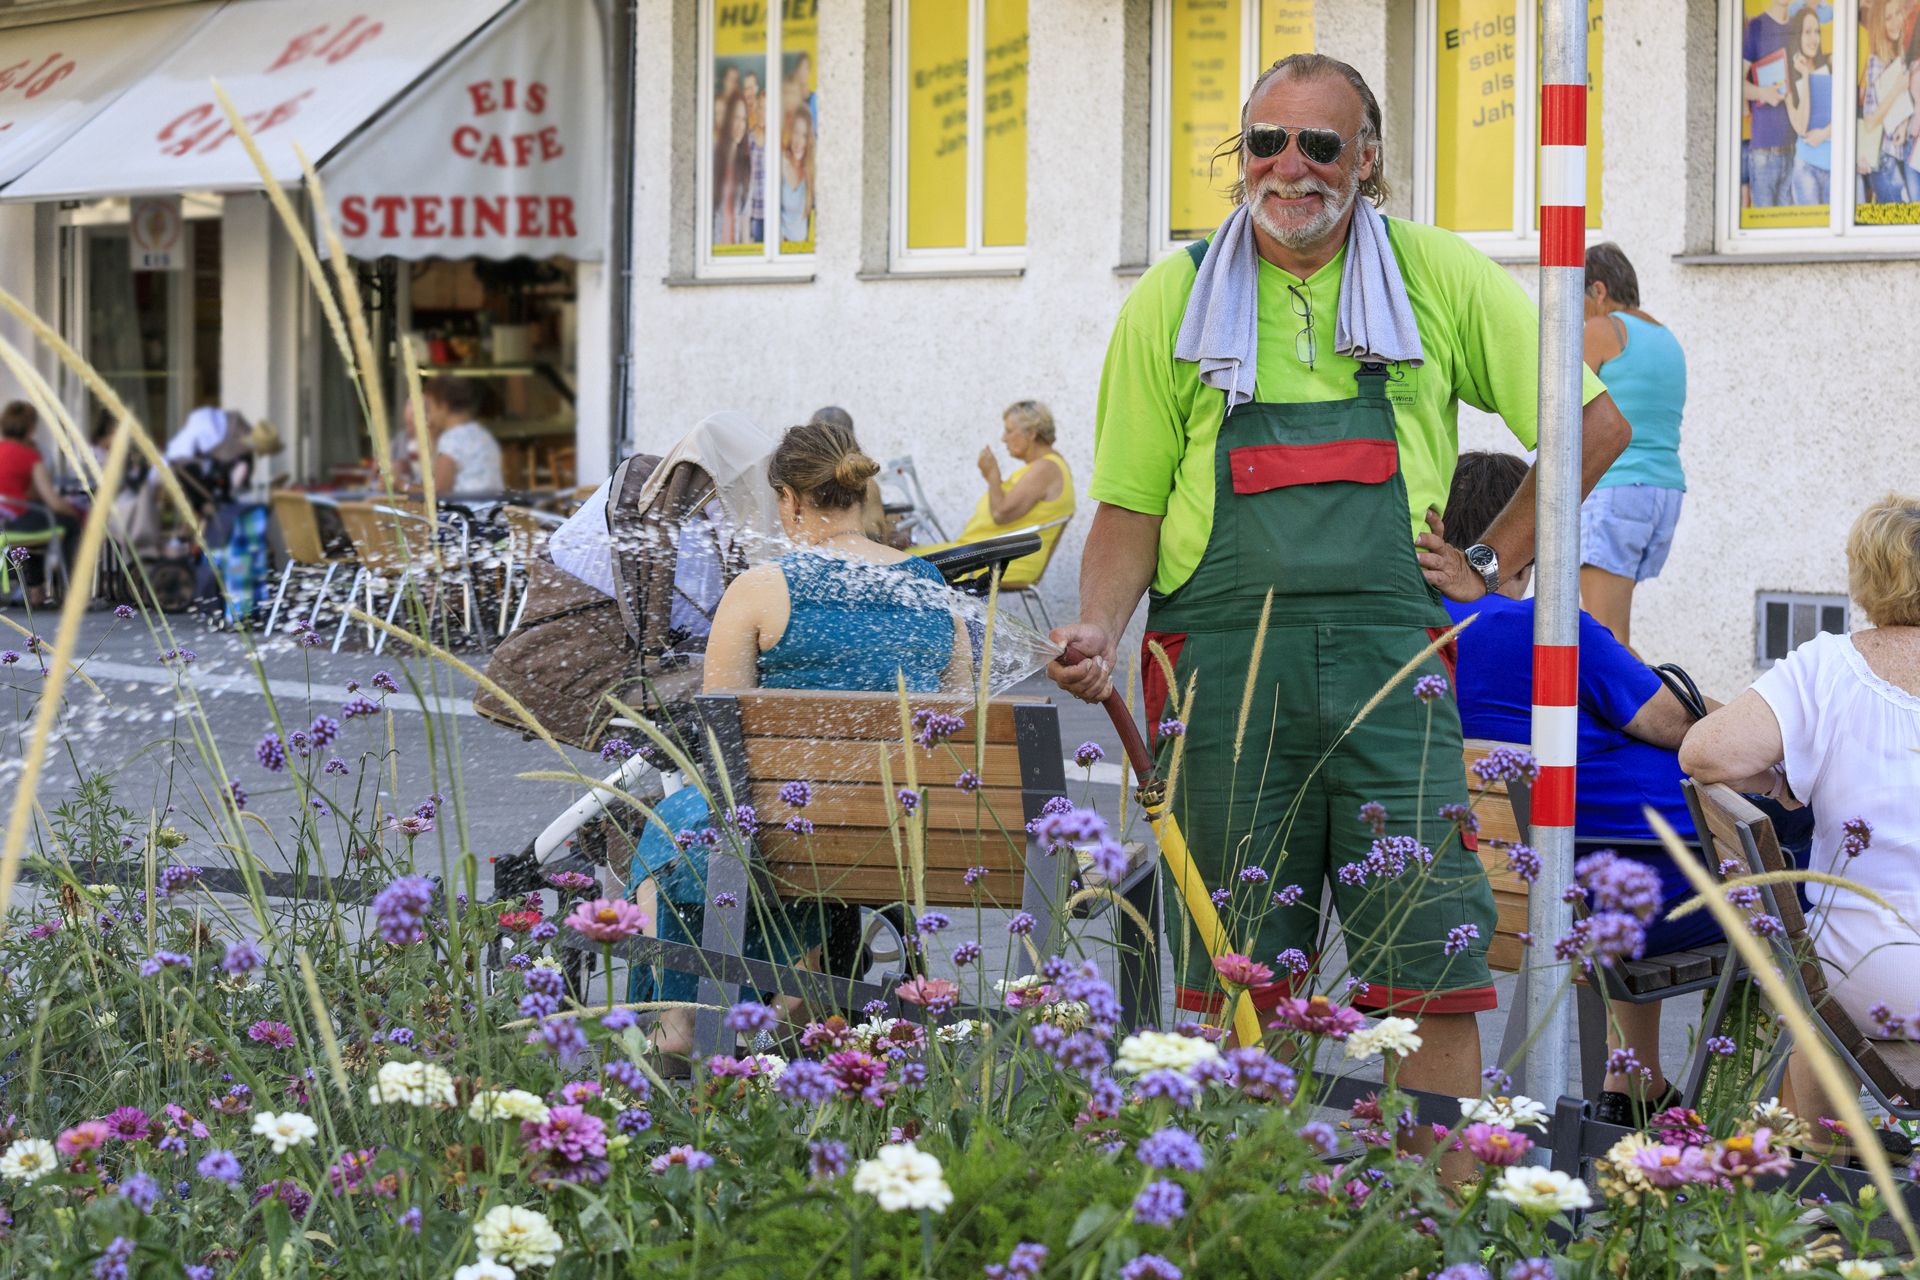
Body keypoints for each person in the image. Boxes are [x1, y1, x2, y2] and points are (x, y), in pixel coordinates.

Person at [1047, 53, 1631, 1113]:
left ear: (1367, 158)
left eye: (1320, 144)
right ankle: (1246, 1196)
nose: (1291, 166)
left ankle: (1436, 1203)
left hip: (1391, 679)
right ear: (1241, 156)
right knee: (1236, 983)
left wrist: (1493, 559)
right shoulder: (1172, 299)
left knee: (1430, 973)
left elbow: (1591, 423)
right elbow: (1130, 505)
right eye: (1266, 142)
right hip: (1222, 680)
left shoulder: (1435, 274)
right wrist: (1096, 624)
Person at [1442, 452, 1812, 1126]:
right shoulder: (1545, 626)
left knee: (1676, 846)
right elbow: (1675, 722)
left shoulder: (1422, 635)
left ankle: (1634, 1081)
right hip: (1632, 890)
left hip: (1530, 888)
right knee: (1790, 888)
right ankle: (1747, 1123)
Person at [629, 420, 972, 1057]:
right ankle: (799, 993)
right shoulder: (931, 586)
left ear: (788, 500)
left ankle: (683, 1020)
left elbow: (723, 743)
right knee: (759, 823)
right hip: (907, 830)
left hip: (789, 826)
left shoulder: (759, 590)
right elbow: (958, 721)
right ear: (859, 493)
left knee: (672, 830)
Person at [1681, 494, 1920, 1142]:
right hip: (1871, 976)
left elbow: (1704, 753)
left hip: (1863, 976)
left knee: (1817, 979)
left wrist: (1779, 781)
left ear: (1866, 575)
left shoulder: (1831, 667)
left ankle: (1818, 1161)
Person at [1579, 244, 1687, 649]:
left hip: (1615, 491)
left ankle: (1657, 693)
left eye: (1577, 300)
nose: (1578, 316)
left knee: (1603, 639)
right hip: (1661, 494)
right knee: (1612, 637)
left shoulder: (1602, 330)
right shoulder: (1666, 338)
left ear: (1599, 291)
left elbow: (1563, 406)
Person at [915, 400, 1076, 590]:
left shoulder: (1046, 468)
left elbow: (1001, 513)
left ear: (1031, 433)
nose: (1003, 438)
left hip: (997, 561)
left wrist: (993, 475)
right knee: (903, 557)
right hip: (985, 555)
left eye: (1009, 430)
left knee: (901, 562)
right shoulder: (1045, 466)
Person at [0, 402, 84, 606]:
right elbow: (52, 500)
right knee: (67, 524)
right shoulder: (30, 456)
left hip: (5, 523)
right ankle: (73, 592)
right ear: (31, 428)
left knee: (40, 523)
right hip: (18, 523)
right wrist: (72, 511)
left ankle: (36, 590)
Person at [1744, 0, 1798, 209]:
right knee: (1765, 223)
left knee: (1795, 227)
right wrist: (1763, 93)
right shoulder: (1756, 27)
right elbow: (1734, 83)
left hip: (1795, 149)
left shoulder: (1797, 26)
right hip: (1764, 151)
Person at [1858, 0, 1912, 207]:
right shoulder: (1876, 60)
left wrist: (1903, 125)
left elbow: (1898, 108)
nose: (1895, 21)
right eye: (1888, 18)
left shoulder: (1896, 57)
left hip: (1893, 155)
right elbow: (1871, 121)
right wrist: (1897, 88)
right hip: (1882, 158)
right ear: (1879, 25)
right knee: (1900, 218)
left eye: (1897, 14)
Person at [1784, 6, 1833, 206]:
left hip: (1835, 165)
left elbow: (1846, 114)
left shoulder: (1830, 65)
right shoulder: (1788, 76)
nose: (1814, 39)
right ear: (1798, 35)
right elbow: (1801, 127)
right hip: (1806, 169)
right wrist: (1805, 76)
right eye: (1807, 32)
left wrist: (1824, 133)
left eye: (1817, 31)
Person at [420, 375, 502, 495]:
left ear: (443, 406)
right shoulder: (484, 435)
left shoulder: (452, 438)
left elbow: (437, 491)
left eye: (430, 408)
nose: (429, 415)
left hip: (466, 506)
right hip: (493, 506)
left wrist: (403, 486)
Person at [713, 93, 753, 246]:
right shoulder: (713, 157)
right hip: (713, 250)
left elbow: (745, 216)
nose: (740, 125)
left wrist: (746, 251)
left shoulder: (746, 163)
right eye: (736, 118)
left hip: (733, 252)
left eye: (743, 119)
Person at [780, 107, 814, 245]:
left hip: (803, 247)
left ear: (808, 140)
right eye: (796, 133)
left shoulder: (811, 172)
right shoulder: (781, 165)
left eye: (804, 136)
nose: (798, 142)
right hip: (781, 245)